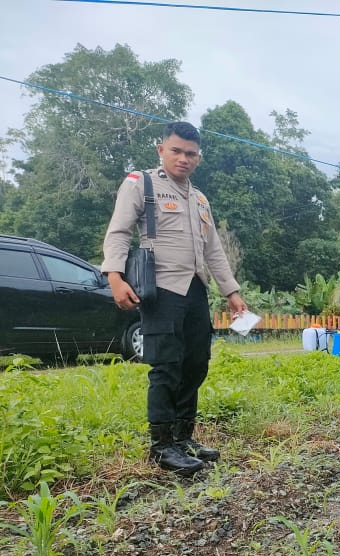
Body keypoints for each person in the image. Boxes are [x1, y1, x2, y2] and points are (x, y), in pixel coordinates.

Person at [102, 121, 247, 476]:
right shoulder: (141, 184)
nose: (184, 159)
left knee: (196, 363)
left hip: (195, 290)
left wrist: (232, 292)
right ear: (161, 150)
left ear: (199, 157)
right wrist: (114, 277)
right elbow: (119, 231)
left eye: (191, 154)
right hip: (161, 289)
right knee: (166, 367)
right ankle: (162, 446)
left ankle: (183, 438)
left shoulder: (200, 199)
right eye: (176, 151)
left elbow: (213, 250)